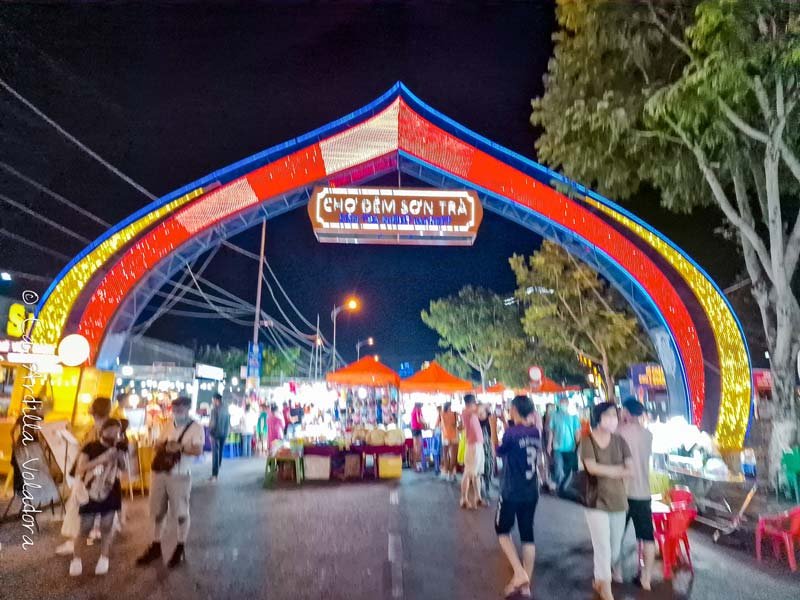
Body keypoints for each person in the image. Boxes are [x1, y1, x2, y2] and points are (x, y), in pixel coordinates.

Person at [136, 396, 205, 569]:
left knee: (181, 513)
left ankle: (180, 546)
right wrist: (161, 445)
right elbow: (158, 443)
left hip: (180, 475)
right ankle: (156, 545)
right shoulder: (168, 424)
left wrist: (180, 447)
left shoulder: (196, 428)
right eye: (174, 409)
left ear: (188, 407)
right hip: (160, 473)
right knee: (157, 512)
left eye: (180, 408)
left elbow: (198, 450)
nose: (177, 412)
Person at [580, 402, 634, 600]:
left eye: (615, 415)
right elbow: (591, 467)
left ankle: (599, 580)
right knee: (602, 546)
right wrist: (616, 470)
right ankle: (606, 589)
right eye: (609, 415)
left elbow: (630, 469)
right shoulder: (588, 441)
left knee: (614, 550)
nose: (613, 419)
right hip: (595, 501)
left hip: (619, 501)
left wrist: (610, 471)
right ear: (598, 417)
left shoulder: (620, 441)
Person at [495, 396, 541, 598]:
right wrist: (506, 424)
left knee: (502, 530)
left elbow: (499, 450)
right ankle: (525, 586)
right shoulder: (535, 432)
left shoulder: (511, 434)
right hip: (531, 491)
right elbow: (516, 439)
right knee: (527, 535)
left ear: (514, 409)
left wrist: (493, 428)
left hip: (511, 490)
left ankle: (519, 572)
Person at [69, 419, 127, 577]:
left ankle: (104, 558)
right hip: (91, 490)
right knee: (85, 527)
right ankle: (76, 559)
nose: (114, 435)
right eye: (111, 431)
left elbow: (125, 469)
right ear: (103, 431)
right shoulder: (91, 446)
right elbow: (80, 468)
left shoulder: (119, 448)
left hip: (111, 488)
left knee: (107, 526)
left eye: (117, 432)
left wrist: (121, 455)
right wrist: (102, 458)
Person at [56, 397, 113, 556]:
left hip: (89, 473)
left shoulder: (98, 428)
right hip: (99, 474)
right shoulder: (109, 427)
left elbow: (90, 450)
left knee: (77, 507)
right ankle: (91, 533)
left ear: (94, 410)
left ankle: (74, 543)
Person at [617, 398, 655, 591]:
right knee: (647, 536)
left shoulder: (619, 432)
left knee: (616, 536)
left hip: (622, 492)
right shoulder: (648, 435)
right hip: (643, 492)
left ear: (626, 412)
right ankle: (646, 578)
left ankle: (617, 572)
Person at [460, 395, 486, 509]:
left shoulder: (472, 412)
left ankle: (478, 498)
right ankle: (464, 499)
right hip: (473, 445)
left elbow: (482, 415)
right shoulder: (467, 411)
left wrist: (481, 407)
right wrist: (482, 405)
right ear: (472, 402)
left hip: (478, 444)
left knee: (477, 474)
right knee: (469, 473)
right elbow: (480, 410)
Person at [549, 397, 580, 491]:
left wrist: (578, 446)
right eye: (561, 403)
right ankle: (559, 486)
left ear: (567, 404)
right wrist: (549, 444)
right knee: (558, 466)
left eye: (564, 403)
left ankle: (565, 485)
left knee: (569, 468)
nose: (563, 404)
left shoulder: (574, 417)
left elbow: (577, 433)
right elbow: (552, 431)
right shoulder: (554, 416)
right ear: (559, 404)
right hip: (557, 446)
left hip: (571, 447)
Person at [208, 393, 229, 482]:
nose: (212, 402)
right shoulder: (226, 409)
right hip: (224, 433)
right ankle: (218, 466)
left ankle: (214, 475)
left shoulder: (214, 410)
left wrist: (210, 432)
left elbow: (212, 423)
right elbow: (228, 422)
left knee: (215, 455)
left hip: (215, 434)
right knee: (220, 452)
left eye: (213, 400)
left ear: (216, 400)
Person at [436, 402, 458, 481]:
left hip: (445, 436)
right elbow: (459, 426)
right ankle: (451, 473)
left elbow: (436, 425)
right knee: (453, 456)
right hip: (454, 436)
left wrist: (443, 427)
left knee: (445, 455)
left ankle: (446, 472)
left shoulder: (441, 414)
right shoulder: (455, 414)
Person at [410, 401, 425, 472]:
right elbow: (419, 419)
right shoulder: (417, 410)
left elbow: (419, 419)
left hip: (415, 429)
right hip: (416, 429)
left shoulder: (415, 410)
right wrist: (425, 424)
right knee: (417, 448)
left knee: (417, 448)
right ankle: (416, 465)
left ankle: (417, 465)